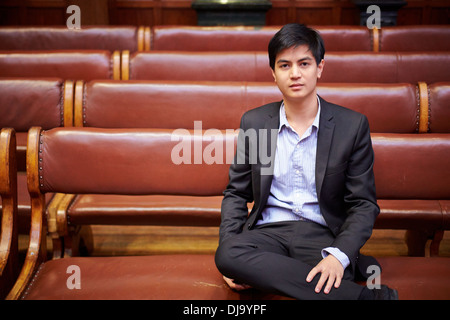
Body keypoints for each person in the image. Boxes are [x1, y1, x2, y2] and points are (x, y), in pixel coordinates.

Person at [214, 23, 398, 300]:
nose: (295, 74)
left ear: (320, 68)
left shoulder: (352, 125)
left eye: (304, 63)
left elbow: (363, 204)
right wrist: (230, 256)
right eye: (285, 65)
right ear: (273, 74)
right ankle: (365, 297)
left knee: (333, 268)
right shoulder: (255, 122)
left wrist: (338, 255)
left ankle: (338, 268)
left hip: (321, 232)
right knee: (228, 254)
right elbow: (236, 194)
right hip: (269, 231)